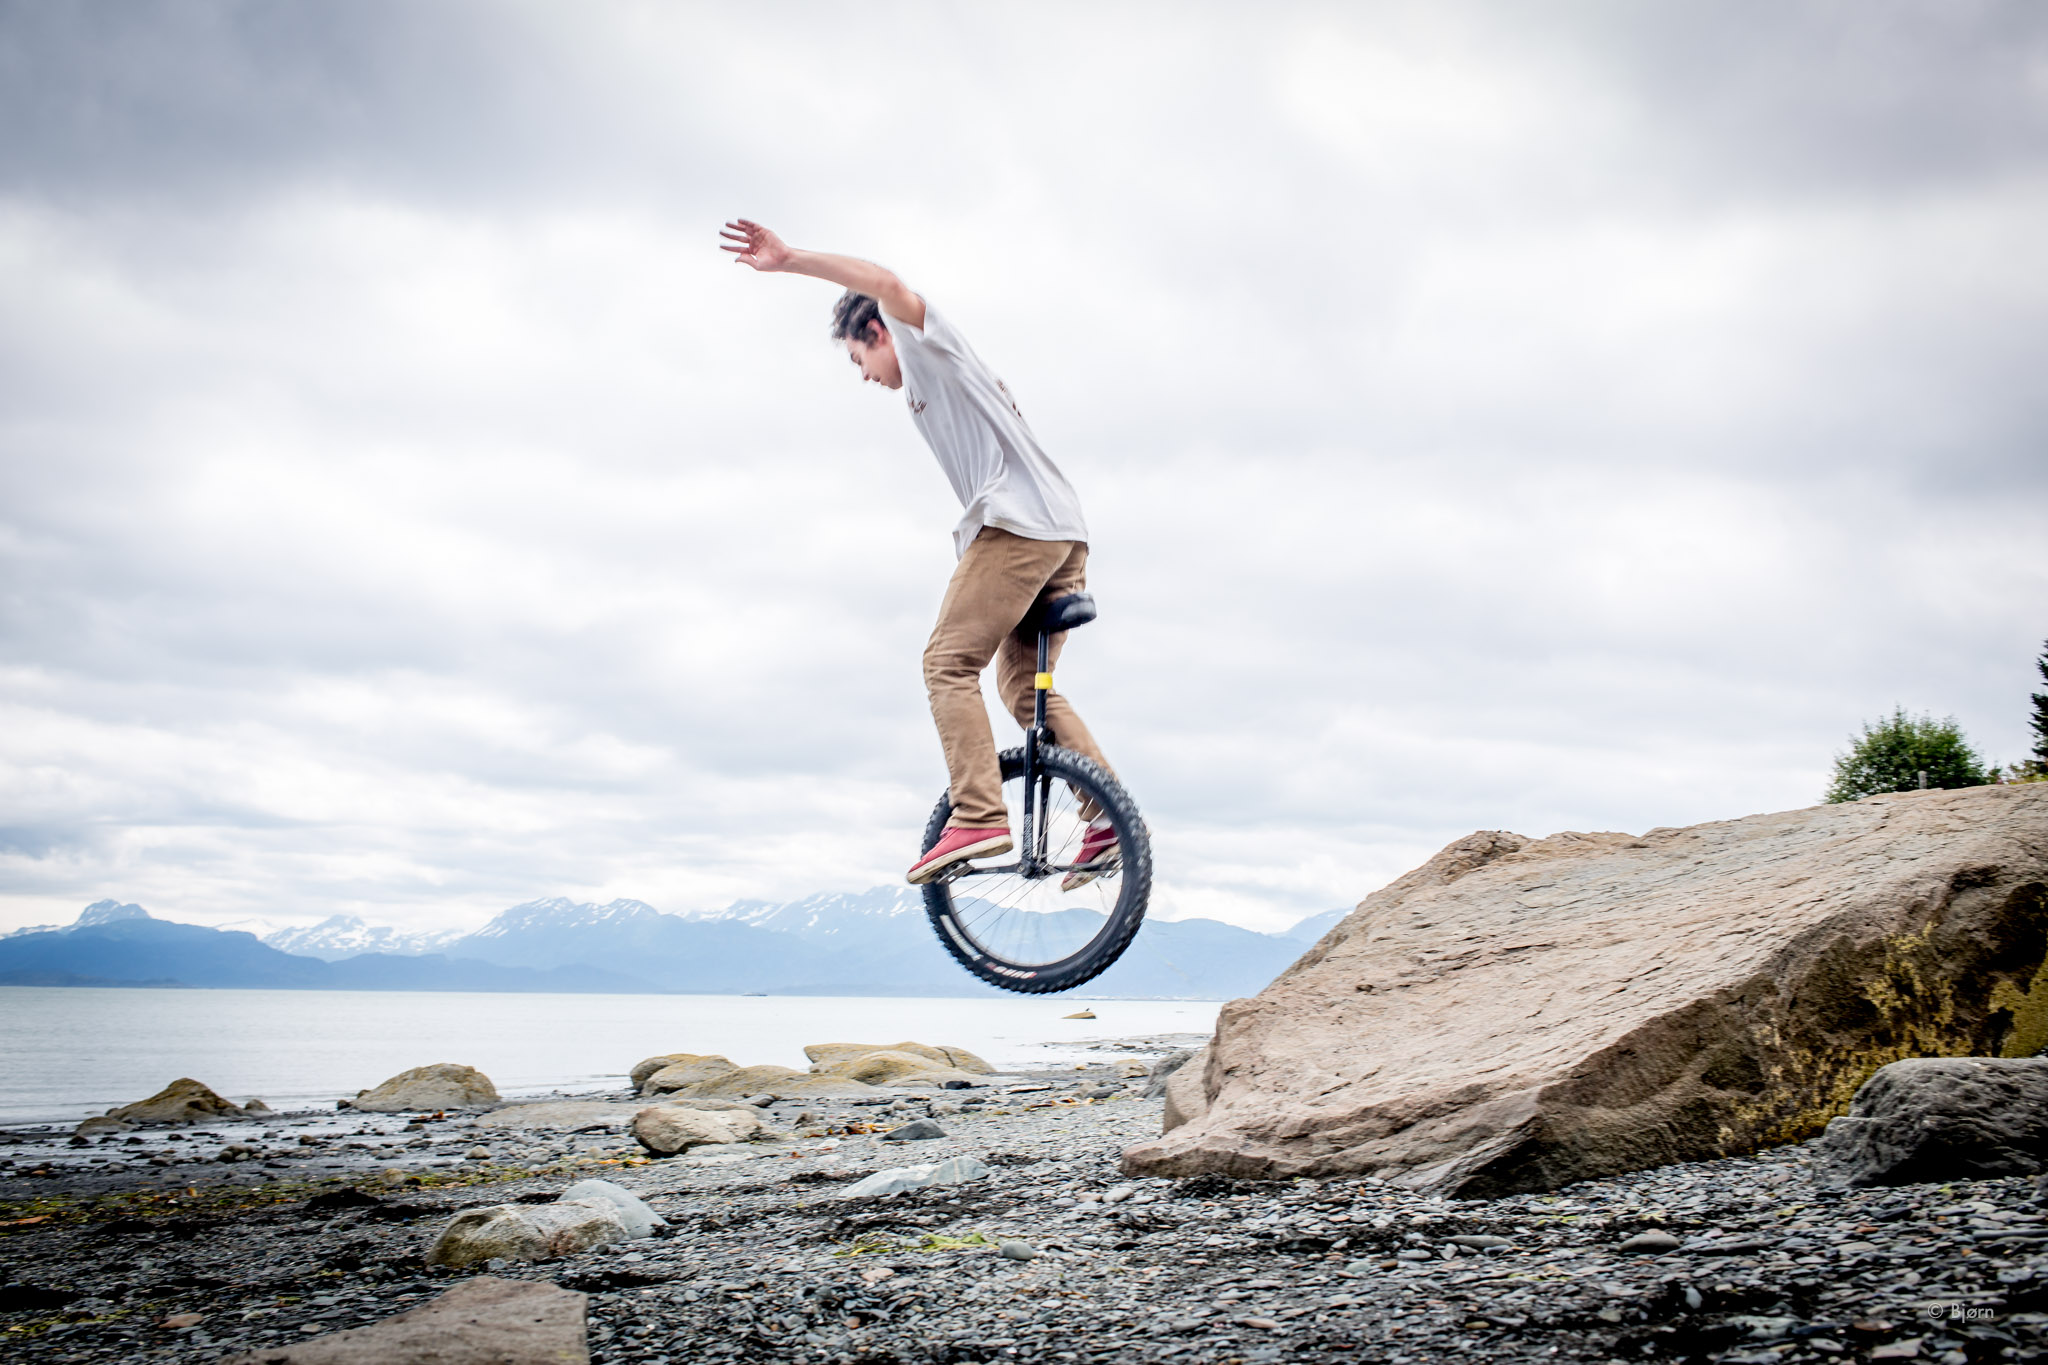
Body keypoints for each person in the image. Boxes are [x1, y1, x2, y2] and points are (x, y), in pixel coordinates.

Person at [720, 218, 1119, 887]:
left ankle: (979, 813)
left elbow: (883, 284)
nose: (863, 376)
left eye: (857, 359)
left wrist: (789, 260)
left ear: (877, 334)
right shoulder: (940, 384)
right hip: (1063, 535)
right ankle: (1105, 822)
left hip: (1022, 528)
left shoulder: (924, 342)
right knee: (1024, 690)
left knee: (946, 662)